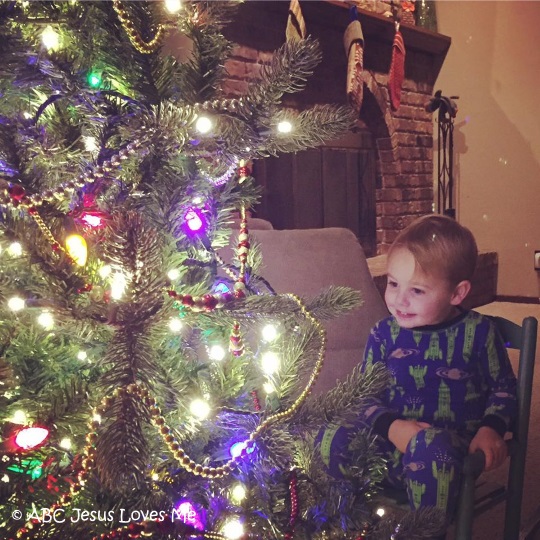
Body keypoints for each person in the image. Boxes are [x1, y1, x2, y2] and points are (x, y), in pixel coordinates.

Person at [359, 214, 517, 526]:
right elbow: (362, 397)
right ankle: (340, 524)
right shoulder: (382, 333)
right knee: (329, 434)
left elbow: (504, 389)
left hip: (447, 456)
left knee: (431, 447)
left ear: (457, 293)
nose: (399, 299)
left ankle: (425, 532)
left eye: (417, 290)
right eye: (393, 283)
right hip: (386, 449)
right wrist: (393, 428)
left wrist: (491, 428)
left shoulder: (479, 332)